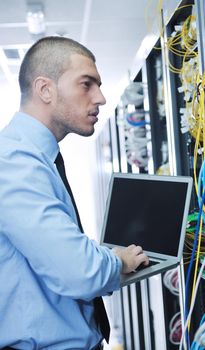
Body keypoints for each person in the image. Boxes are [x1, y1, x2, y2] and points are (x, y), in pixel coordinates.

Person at [0, 36, 149, 349]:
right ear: (45, 89)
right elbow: (78, 272)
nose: (101, 97)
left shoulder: (37, 159)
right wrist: (118, 260)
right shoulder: (13, 161)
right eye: (87, 84)